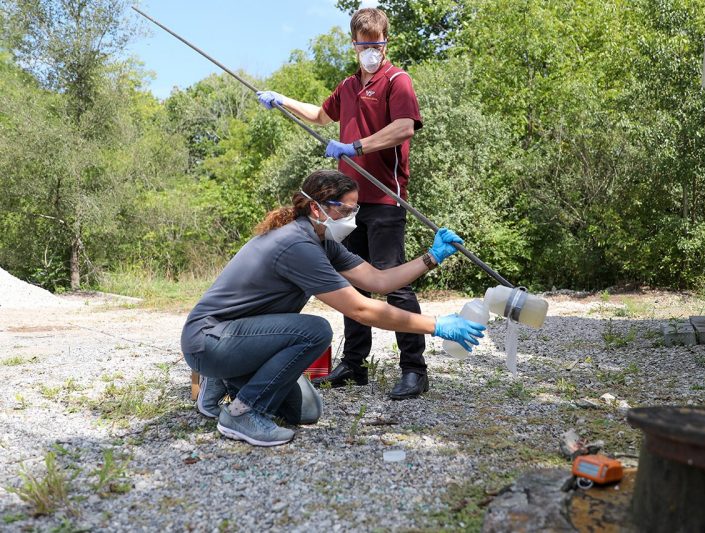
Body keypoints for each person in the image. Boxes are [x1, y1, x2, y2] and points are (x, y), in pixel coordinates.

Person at [181, 170, 485, 447]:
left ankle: (222, 378)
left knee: (307, 411)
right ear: (318, 208)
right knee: (315, 331)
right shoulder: (297, 245)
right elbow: (362, 311)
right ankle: (240, 412)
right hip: (210, 340)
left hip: (236, 338)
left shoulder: (321, 240)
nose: (352, 217)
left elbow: (378, 281)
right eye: (347, 209)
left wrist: (432, 257)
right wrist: (436, 325)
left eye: (356, 210)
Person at [256, 8, 430, 400]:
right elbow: (320, 114)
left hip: (385, 197)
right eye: (364, 44)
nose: (371, 50)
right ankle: (355, 366)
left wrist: (356, 146)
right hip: (345, 205)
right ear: (354, 44)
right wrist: (283, 101)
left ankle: (414, 369)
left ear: (386, 41)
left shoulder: (397, 81)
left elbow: (404, 127)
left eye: (377, 43)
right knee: (353, 282)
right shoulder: (348, 86)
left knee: (392, 280)